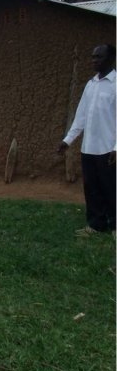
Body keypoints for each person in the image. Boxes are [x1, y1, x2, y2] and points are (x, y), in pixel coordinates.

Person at [57, 43, 116, 237]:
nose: (93, 60)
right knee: (91, 189)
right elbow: (80, 117)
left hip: (109, 150)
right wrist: (68, 140)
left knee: (111, 188)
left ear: (110, 59)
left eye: (98, 57)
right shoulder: (91, 85)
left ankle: (114, 226)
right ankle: (96, 225)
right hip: (88, 148)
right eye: (92, 57)